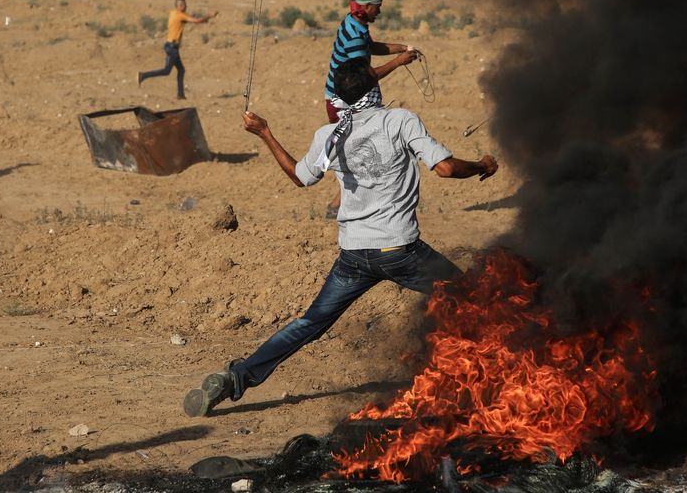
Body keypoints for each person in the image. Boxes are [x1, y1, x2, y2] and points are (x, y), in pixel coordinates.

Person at [183, 60, 498, 417]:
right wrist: (482, 166)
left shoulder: (330, 134)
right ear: (374, 89)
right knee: (473, 299)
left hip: (354, 254)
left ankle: (236, 378)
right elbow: (445, 168)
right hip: (400, 251)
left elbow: (300, 177)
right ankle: (492, 380)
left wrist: (265, 133)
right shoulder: (399, 121)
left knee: (309, 323)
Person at [324, 0, 418, 217]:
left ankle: (338, 203)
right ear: (366, 8)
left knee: (356, 151)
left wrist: (399, 48)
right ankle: (339, 205)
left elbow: (370, 47)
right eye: (378, 6)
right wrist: (399, 62)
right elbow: (367, 77)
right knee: (360, 152)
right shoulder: (355, 35)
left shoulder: (354, 23)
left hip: (344, 97)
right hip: (346, 101)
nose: (380, 10)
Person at [138, 0, 218, 100]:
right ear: (180, 6)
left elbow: (188, 20)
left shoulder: (173, 13)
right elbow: (197, 20)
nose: (186, 7)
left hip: (171, 46)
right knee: (166, 71)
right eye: (184, 5)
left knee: (181, 70)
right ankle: (143, 75)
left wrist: (202, 19)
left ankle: (180, 95)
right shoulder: (180, 15)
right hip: (172, 48)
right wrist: (209, 16)